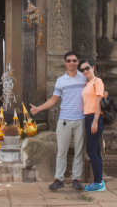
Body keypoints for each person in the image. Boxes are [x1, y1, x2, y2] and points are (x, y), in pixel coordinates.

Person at [30, 51, 87, 190]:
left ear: (78, 62)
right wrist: (38, 109)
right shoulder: (61, 80)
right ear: (65, 63)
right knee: (62, 151)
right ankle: (59, 179)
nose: (72, 63)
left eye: (74, 60)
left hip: (81, 120)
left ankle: (76, 178)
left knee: (79, 151)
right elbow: (53, 100)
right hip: (64, 120)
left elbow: (95, 91)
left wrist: (104, 94)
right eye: (69, 61)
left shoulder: (85, 78)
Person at [79, 59, 106, 193]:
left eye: (87, 68)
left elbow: (98, 102)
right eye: (82, 69)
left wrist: (95, 120)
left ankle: (98, 182)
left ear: (93, 67)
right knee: (95, 151)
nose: (85, 71)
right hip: (88, 118)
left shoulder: (97, 81)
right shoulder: (87, 84)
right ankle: (99, 181)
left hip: (94, 118)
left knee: (90, 151)